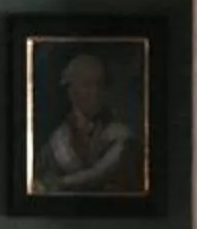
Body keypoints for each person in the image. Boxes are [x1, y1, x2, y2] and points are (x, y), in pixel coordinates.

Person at [33, 50, 140, 196]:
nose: (95, 92)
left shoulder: (121, 135)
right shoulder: (54, 143)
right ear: (71, 91)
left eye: (100, 85)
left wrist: (59, 183)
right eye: (87, 85)